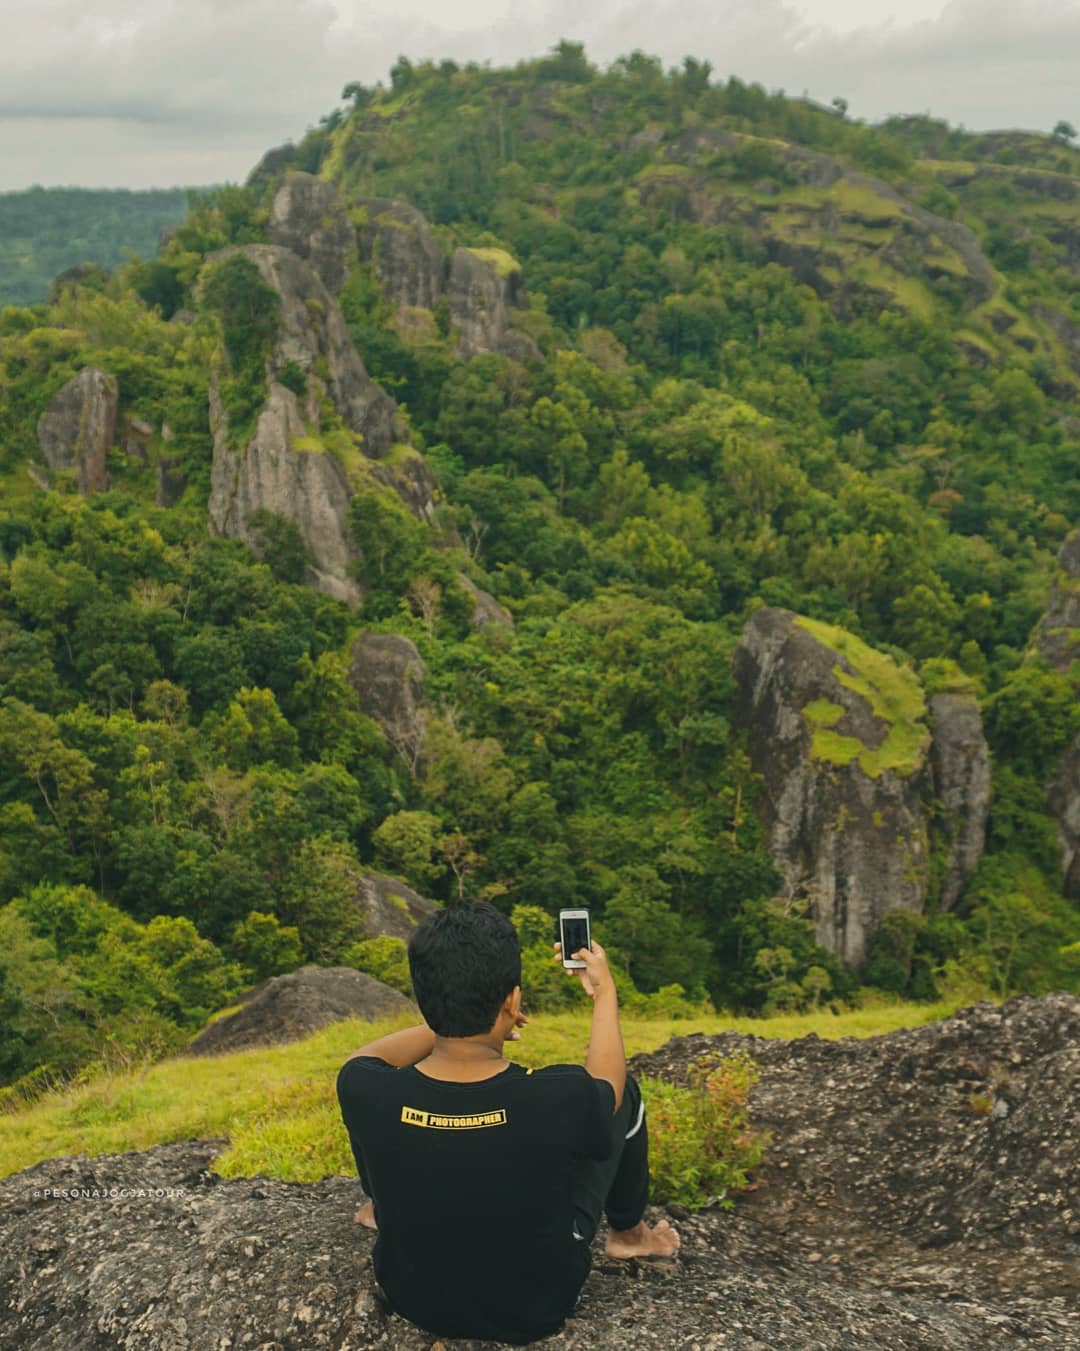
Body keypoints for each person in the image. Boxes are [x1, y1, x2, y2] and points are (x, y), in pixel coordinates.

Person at [335, 902, 679, 1345]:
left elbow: (364, 1058)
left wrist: (449, 1020)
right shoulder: (557, 1097)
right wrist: (604, 993)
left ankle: (383, 1205)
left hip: (412, 1296)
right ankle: (631, 1235)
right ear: (512, 1001)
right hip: (535, 1308)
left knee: (380, 1125)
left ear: (424, 999)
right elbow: (608, 1086)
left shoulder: (364, 1088)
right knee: (625, 1096)